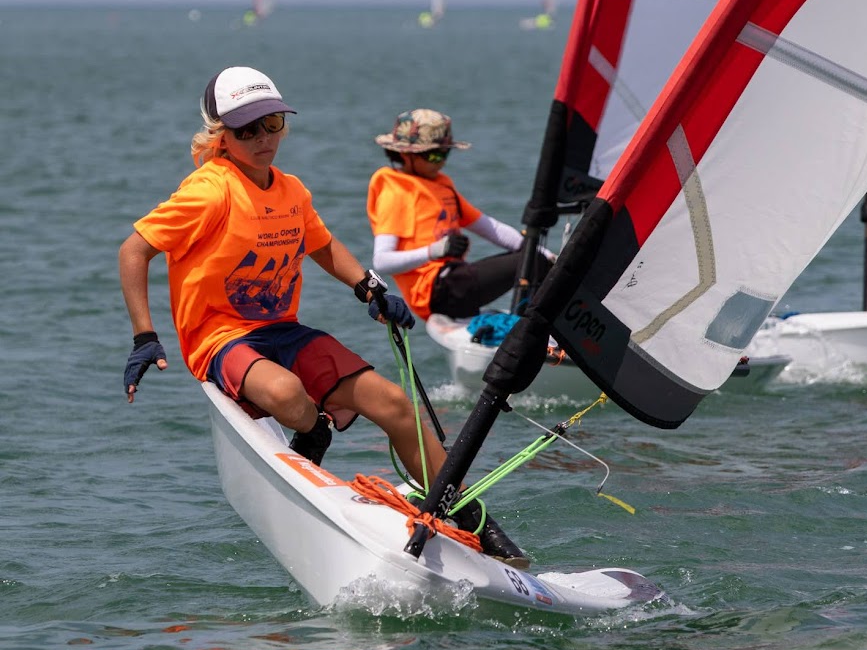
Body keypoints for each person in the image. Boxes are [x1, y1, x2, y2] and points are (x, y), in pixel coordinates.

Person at [118, 67, 527, 568]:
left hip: (282, 332)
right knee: (286, 394)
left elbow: (322, 244)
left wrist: (367, 286)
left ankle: (473, 519)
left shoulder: (291, 190)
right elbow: (134, 251)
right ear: (221, 136)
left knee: (395, 404)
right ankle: (314, 429)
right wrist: (145, 336)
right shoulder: (209, 191)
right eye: (247, 130)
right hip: (221, 338)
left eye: (272, 124)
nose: (263, 138)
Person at [365, 109, 553, 324]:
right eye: (433, 155)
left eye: (444, 154)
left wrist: (546, 254)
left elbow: (491, 228)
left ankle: (540, 321)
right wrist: (435, 251)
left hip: (457, 278)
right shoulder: (394, 193)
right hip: (436, 292)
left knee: (536, 260)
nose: (440, 162)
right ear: (406, 155)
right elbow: (382, 261)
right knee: (534, 262)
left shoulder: (442, 186)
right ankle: (534, 325)